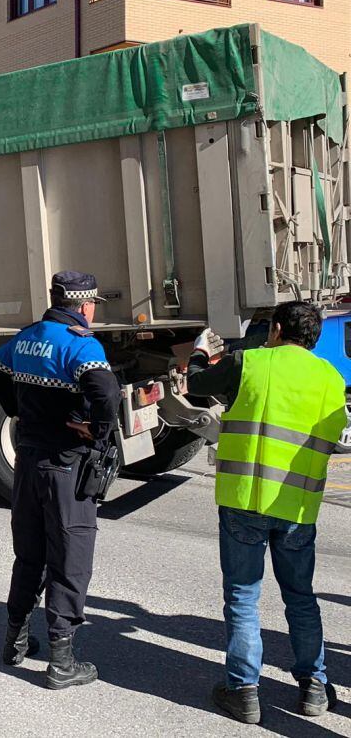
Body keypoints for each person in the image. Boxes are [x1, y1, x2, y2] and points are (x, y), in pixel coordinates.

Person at [189, 301, 345, 724]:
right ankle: (313, 687)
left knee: (243, 597)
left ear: (276, 329)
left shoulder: (249, 362)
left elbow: (197, 385)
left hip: (243, 499)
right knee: (301, 598)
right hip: (297, 507)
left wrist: (200, 351)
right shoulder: (331, 378)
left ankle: (243, 691)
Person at [0, 271, 119, 689]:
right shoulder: (80, 344)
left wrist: (16, 409)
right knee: (69, 558)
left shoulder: (25, 338)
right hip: (66, 466)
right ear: (85, 305)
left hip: (28, 463)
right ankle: (62, 661)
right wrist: (97, 429)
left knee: (30, 553)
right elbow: (108, 394)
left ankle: (14, 641)